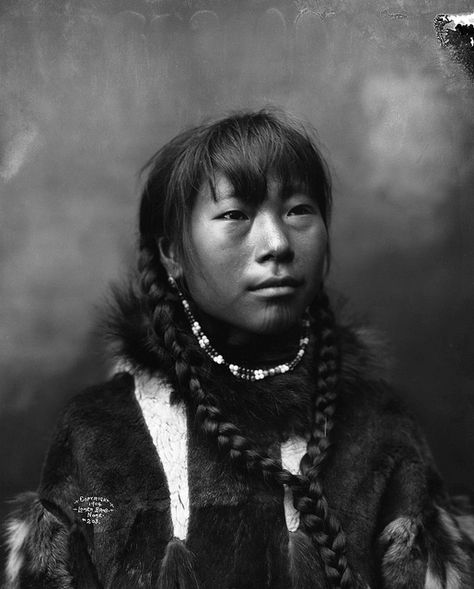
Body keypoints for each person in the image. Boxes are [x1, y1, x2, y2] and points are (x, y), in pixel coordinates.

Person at [2, 109, 473, 589]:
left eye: (298, 211)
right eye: (234, 215)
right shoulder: (97, 433)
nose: (277, 244)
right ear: (171, 253)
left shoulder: (381, 426)